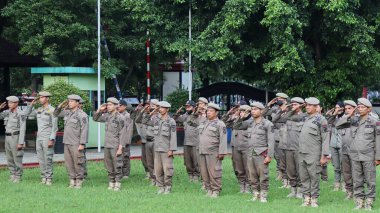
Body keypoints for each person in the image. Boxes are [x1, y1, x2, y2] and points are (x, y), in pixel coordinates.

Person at [336, 98, 380, 210]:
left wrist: (378, 157)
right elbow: (338, 125)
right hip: (354, 156)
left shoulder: (374, 121)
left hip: (368, 155)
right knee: (357, 180)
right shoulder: (353, 120)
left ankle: (369, 202)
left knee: (370, 180)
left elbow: (378, 140)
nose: (360, 109)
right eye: (358, 107)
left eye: (362, 107)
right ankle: (359, 202)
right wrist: (349, 115)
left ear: (369, 109)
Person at [298, 97, 330, 207]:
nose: (307, 107)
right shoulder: (305, 118)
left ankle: (314, 199)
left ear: (316, 107)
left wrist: (324, 155)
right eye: (306, 105)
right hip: (302, 153)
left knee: (314, 177)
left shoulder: (321, 120)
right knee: (304, 177)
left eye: (310, 105)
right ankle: (306, 198)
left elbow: (325, 139)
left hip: (314, 153)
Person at [54, 94, 89, 189]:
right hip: (67, 142)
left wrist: (82, 143)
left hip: (76, 143)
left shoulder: (82, 115)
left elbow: (84, 130)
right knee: (68, 163)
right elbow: (55, 114)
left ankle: (79, 181)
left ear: (78, 103)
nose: (69, 103)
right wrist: (60, 106)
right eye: (69, 101)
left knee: (78, 162)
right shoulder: (67, 113)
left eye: (72, 101)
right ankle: (72, 180)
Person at [26, 91, 58, 185]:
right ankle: (43, 176)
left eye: (42, 97)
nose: (40, 99)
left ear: (47, 98)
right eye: (39, 97)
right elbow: (28, 114)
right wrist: (31, 105)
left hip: (47, 136)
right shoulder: (39, 110)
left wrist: (52, 139)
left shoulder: (53, 110)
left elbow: (55, 127)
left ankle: (49, 178)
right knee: (40, 158)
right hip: (39, 137)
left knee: (48, 158)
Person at [247, 102, 275, 202]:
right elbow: (237, 125)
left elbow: (271, 141)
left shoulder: (268, 124)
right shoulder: (250, 123)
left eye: (255, 109)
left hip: (261, 153)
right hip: (250, 153)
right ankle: (256, 194)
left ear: (262, 111)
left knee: (263, 175)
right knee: (252, 175)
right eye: (252, 109)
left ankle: (263, 195)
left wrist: (269, 156)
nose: (252, 111)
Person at [198, 103, 228, 198]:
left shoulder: (220, 124)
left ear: (216, 113)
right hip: (203, 151)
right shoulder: (204, 122)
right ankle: (209, 189)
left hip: (213, 152)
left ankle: (216, 190)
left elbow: (223, 139)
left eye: (211, 111)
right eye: (208, 111)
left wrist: (222, 152)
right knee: (204, 172)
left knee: (214, 171)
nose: (208, 113)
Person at [263, 93, 289, 188]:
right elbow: (263, 113)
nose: (278, 100)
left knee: (285, 158)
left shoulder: (289, 109)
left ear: (285, 100)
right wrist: (269, 104)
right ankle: (280, 173)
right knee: (277, 156)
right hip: (275, 134)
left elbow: (275, 119)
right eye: (277, 98)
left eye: (280, 99)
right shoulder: (274, 109)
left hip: (285, 135)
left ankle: (286, 177)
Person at [0, 96, 28, 183]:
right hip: (7, 137)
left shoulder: (21, 113)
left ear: (16, 103)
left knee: (17, 157)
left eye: (11, 103)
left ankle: (18, 176)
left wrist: (20, 142)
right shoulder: (7, 112)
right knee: (9, 157)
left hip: (16, 137)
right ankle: (12, 174)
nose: (9, 104)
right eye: (8, 103)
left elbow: (23, 128)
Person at [173, 100, 200, 182]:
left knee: (196, 160)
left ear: (194, 107)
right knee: (187, 161)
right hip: (186, 141)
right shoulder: (185, 115)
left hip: (196, 142)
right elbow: (176, 119)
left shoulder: (197, 115)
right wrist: (177, 113)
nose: (187, 108)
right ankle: (190, 175)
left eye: (189, 106)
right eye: (186, 107)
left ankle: (196, 175)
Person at [154, 101, 177, 194]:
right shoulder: (156, 120)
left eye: (163, 108)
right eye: (159, 107)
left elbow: (173, 136)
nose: (160, 109)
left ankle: (168, 186)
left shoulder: (171, 121)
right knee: (158, 169)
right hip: (157, 149)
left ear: (167, 109)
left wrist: (171, 149)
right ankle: (160, 187)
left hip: (166, 149)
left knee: (167, 169)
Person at [231, 105, 252, 193]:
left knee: (247, 168)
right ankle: (241, 185)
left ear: (248, 113)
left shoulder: (251, 121)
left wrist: (240, 118)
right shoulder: (237, 120)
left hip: (246, 147)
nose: (241, 113)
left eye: (244, 111)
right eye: (241, 111)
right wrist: (234, 113)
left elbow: (239, 125)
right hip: (236, 147)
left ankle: (247, 185)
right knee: (238, 168)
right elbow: (225, 121)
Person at [325, 102, 345, 191]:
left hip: (342, 145)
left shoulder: (346, 118)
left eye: (339, 108)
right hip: (333, 145)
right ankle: (337, 184)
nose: (337, 109)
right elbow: (327, 122)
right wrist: (333, 114)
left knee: (344, 166)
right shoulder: (333, 118)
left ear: (342, 109)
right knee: (336, 166)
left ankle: (345, 184)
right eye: (336, 107)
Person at [118, 99, 134, 179]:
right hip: (117, 139)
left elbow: (129, 129)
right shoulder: (117, 115)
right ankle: (119, 172)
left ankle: (125, 173)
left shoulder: (127, 116)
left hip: (124, 140)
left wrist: (126, 141)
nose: (118, 107)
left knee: (125, 157)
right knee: (119, 157)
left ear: (124, 107)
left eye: (120, 105)